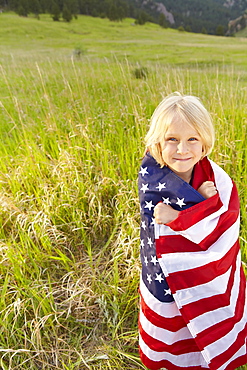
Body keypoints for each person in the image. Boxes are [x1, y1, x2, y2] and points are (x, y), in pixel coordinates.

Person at [138, 93, 247, 370]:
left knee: (203, 320)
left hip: (206, 277)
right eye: (172, 139)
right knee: (174, 323)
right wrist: (185, 210)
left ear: (204, 143)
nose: (182, 149)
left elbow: (223, 225)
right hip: (165, 278)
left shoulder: (216, 180)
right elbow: (160, 219)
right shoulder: (152, 179)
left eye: (192, 139)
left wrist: (196, 205)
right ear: (158, 142)